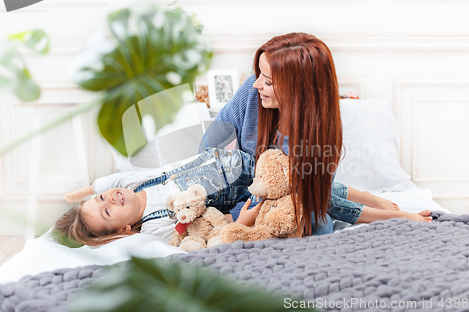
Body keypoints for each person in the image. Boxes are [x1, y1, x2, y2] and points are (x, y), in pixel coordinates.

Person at [199, 32, 432, 235]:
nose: (256, 84)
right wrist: (237, 215)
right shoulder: (250, 95)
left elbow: (316, 198)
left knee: (316, 222)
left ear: (297, 91)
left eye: (268, 81)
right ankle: (365, 196)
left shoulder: (316, 128)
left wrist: (399, 217)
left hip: (286, 200)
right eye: (258, 74)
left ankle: (368, 199)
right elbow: (207, 155)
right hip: (238, 193)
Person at [55, 147, 432, 247]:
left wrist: (76, 196)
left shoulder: (135, 182)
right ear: (121, 230)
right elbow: (209, 233)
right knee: (309, 191)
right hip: (248, 186)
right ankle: (392, 216)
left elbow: (104, 180)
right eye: (106, 212)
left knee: (309, 180)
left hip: (240, 158)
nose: (111, 199)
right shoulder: (154, 228)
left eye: (105, 197)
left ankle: (373, 200)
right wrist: (246, 219)